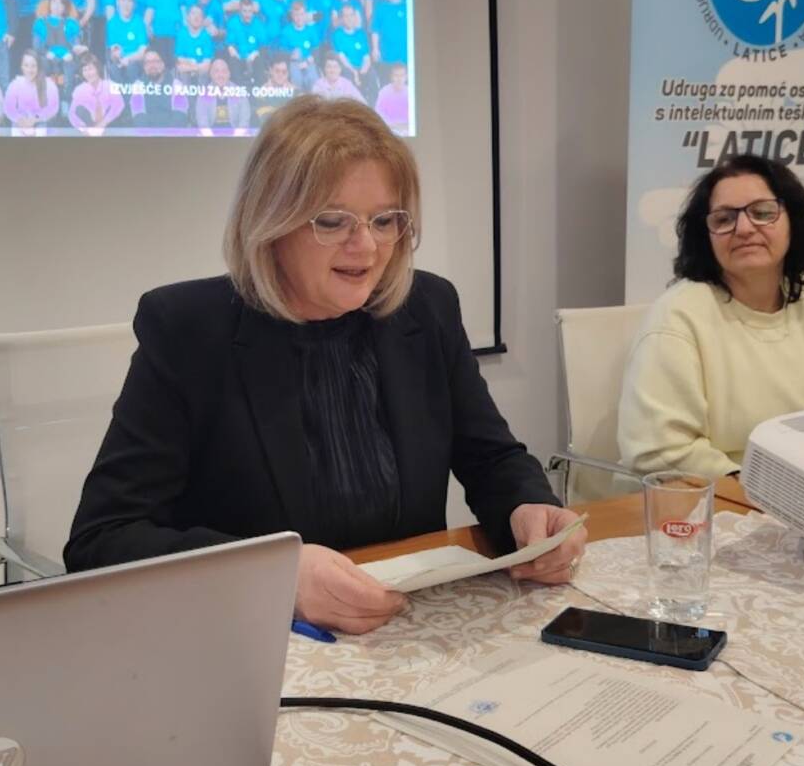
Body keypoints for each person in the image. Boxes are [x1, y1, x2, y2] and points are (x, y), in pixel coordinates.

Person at [65, 95, 582, 633]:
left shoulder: (427, 308)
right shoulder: (188, 330)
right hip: (261, 639)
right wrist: (275, 576)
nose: (367, 246)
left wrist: (527, 509)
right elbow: (103, 539)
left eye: (384, 220)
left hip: (403, 627)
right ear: (270, 225)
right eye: (333, 222)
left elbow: (490, 457)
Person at [618, 154, 804, 479]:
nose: (744, 228)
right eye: (724, 219)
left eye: (762, 213)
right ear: (706, 237)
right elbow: (660, 451)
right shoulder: (677, 317)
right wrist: (770, 491)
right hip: (726, 497)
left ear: (793, 221)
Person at [126, 49, 190, 131]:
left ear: (163, 64)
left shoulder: (176, 84)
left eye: (155, 61)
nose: (152, 65)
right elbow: (138, 115)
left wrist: (167, 136)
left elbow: (180, 115)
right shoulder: (138, 85)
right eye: (148, 62)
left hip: (172, 135)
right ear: (144, 67)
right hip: (147, 136)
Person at [32, 0, 84, 87]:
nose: (57, 6)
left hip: (67, 57)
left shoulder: (71, 24)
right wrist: (46, 53)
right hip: (47, 57)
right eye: (54, 2)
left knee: (70, 63)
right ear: (50, 4)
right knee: (42, 62)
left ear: (65, 7)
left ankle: (67, 94)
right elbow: (36, 46)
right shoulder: (40, 23)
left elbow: (76, 46)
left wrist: (70, 54)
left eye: (61, 3)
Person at [4, 50, 61, 136]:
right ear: (21, 66)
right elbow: (8, 108)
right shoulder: (15, 84)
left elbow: (53, 108)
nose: (29, 70)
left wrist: (35, 119)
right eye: (26, 65)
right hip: (21, 121)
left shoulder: (49, 85)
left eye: (33, 66)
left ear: (38, 67)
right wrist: (20, 120)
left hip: (40, 121)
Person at [103, 0, 151, 85]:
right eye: (123, 0)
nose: (126, 4)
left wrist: (128, 59)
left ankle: (134, 94)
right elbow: (113, 50)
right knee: (114, 68)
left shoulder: (139, 22)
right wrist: (119, 58)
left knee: (131, 67)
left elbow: (142, 52)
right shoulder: (112, 24)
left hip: (136, 61)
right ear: (117, 2)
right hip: (119, 61)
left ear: (134, 4)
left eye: (129, 1)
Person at [67, 54, 124, 135]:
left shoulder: (111, 85)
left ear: (97, 69)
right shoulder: (79, 90)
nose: (88, 73)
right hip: (89, 128)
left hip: (110, 126)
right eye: (84, 70)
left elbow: (119, 105)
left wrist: (104, 123)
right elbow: (72, 113)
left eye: (90, 69)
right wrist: (83, 129)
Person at [194, 57, 252, 136]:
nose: (220, 75)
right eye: (216, 71)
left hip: (235, 137)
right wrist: (211, 139)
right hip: (210, 137)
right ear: (211, 74)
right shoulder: (204, 94)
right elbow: (202, 123)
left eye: (224, 71)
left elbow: (244, 121)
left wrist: (235, 138)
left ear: (229, 74)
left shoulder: (239, 92)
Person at [280, 0, 323, 90]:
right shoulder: (286, 32)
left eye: (301, 14)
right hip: (293, 62)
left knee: (313, 79)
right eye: (296, 15)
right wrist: (291, 55)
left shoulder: (311, 30)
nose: (299, 18)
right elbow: (282, 52)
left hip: (309, 61)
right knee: (297, 79)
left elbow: (317, 51)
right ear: (292, 15)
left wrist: (308, 61)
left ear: (305, 15)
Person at [225, 0, 270, 83]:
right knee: (233, 62)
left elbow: (263, 45)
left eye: (250, 11)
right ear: (240, 11)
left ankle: (259, 89)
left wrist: (254, 54)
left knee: (259, 61)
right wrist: (236, 55)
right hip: (238, 57)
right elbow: (230, 45)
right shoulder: (233, 22)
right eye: (244, 11)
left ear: (253, 11)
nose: (247, 14)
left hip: (253, 58)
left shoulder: (258, 24)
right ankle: (239, 89)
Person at [371, 0, 408, 68]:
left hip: (405, 55)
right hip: (386, 55)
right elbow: (375, 30)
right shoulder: (380, 8)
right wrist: (375, 49)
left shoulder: (407, 7)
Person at [173, 4, 216, 80]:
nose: (196, 17)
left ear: (203, 19)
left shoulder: (206, 37)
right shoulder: (181, 34)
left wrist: (191, 67)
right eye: (193, 13)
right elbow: (180, 59)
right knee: (181, 74)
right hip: (185, 74)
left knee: (203, 74)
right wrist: (193, 64)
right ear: (187, 17)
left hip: (201, 75)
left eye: (199, 15)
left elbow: (206, 65)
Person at [252, 58, 297, 128]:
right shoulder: (261, 93)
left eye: (284, 72)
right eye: (277, 71)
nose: (280, 75)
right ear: (271, 71)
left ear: (288, 73)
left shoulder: (296, 92)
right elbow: (265, 118)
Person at [374, 63, 410, 131]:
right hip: (388, 130)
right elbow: (378, 115)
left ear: (406, 77)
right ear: (391, 77)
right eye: (396, 75)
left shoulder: (410, 92)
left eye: (402, 75)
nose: (399, 79)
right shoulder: (384, 92)